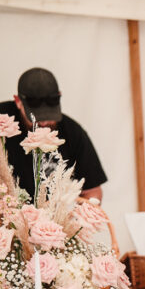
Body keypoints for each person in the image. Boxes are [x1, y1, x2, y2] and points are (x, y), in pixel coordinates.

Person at [0, 67, 106, 201]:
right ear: (18, 101)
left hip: (55, 218)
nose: (44, 122)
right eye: (36, 117)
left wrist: (76, 216)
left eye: (50, 116)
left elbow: (93, 192)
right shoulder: (2, 121)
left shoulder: (72, 132)